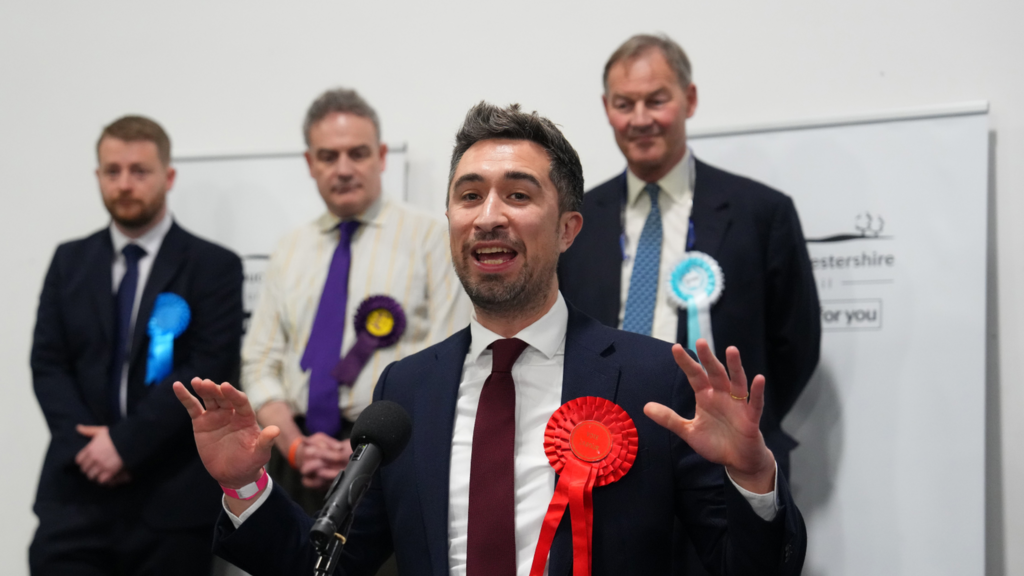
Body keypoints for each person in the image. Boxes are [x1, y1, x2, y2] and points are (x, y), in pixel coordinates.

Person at [174, 102, 806, 575]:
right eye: (468, 195)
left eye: (519, 194)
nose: (489, 215)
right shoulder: (406, 391)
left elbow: (745, 566)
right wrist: (245, 487)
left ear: (567, 228)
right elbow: (330, 561)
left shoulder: (650, 382)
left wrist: (753, 477)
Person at [558, 33, 820, 479]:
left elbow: (796, 344)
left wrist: (741, 422)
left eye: (656, 100)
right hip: (601, 460)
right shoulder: (574, 221)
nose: (640, 120)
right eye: (624, 104)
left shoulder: (761, 213)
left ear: (689, 99)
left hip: (724, 461)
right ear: (607, 108)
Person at [29, 115, 243, 574]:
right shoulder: (69, 261)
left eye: (139, 171)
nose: (125, 184)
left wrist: (125, 446)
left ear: (168, 176)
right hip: (75, 495)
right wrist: (92, 450)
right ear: (98, 176)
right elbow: (48, 363)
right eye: (113, 171)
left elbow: (209, 365)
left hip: (171, 503)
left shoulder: (214, 266)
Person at [241, 87, 471, 513]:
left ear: (382, 156)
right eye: (328, 156)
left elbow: (449, 358)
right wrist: (295, 447)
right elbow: (260, 364)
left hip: (393, 459)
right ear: (310, 163)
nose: (343, 169)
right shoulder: (289, 250)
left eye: (358, 153)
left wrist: (363, 450)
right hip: (295, 458)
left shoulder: (432, 238)